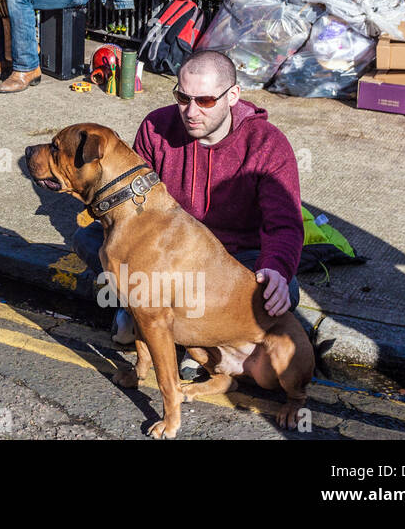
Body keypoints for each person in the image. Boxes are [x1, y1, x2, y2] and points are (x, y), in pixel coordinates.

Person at [72, 50, 304, 362]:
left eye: (205, 100)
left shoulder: (267, 144)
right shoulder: (156, 126)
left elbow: (285, 224)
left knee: (283, 290)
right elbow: (129, 200)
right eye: (183, 97)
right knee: (87, 239)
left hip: (232, 260)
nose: (191, 111)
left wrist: (276, 266)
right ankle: (153, 318)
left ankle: (165, 328)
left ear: (233, 95)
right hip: (166, 254)